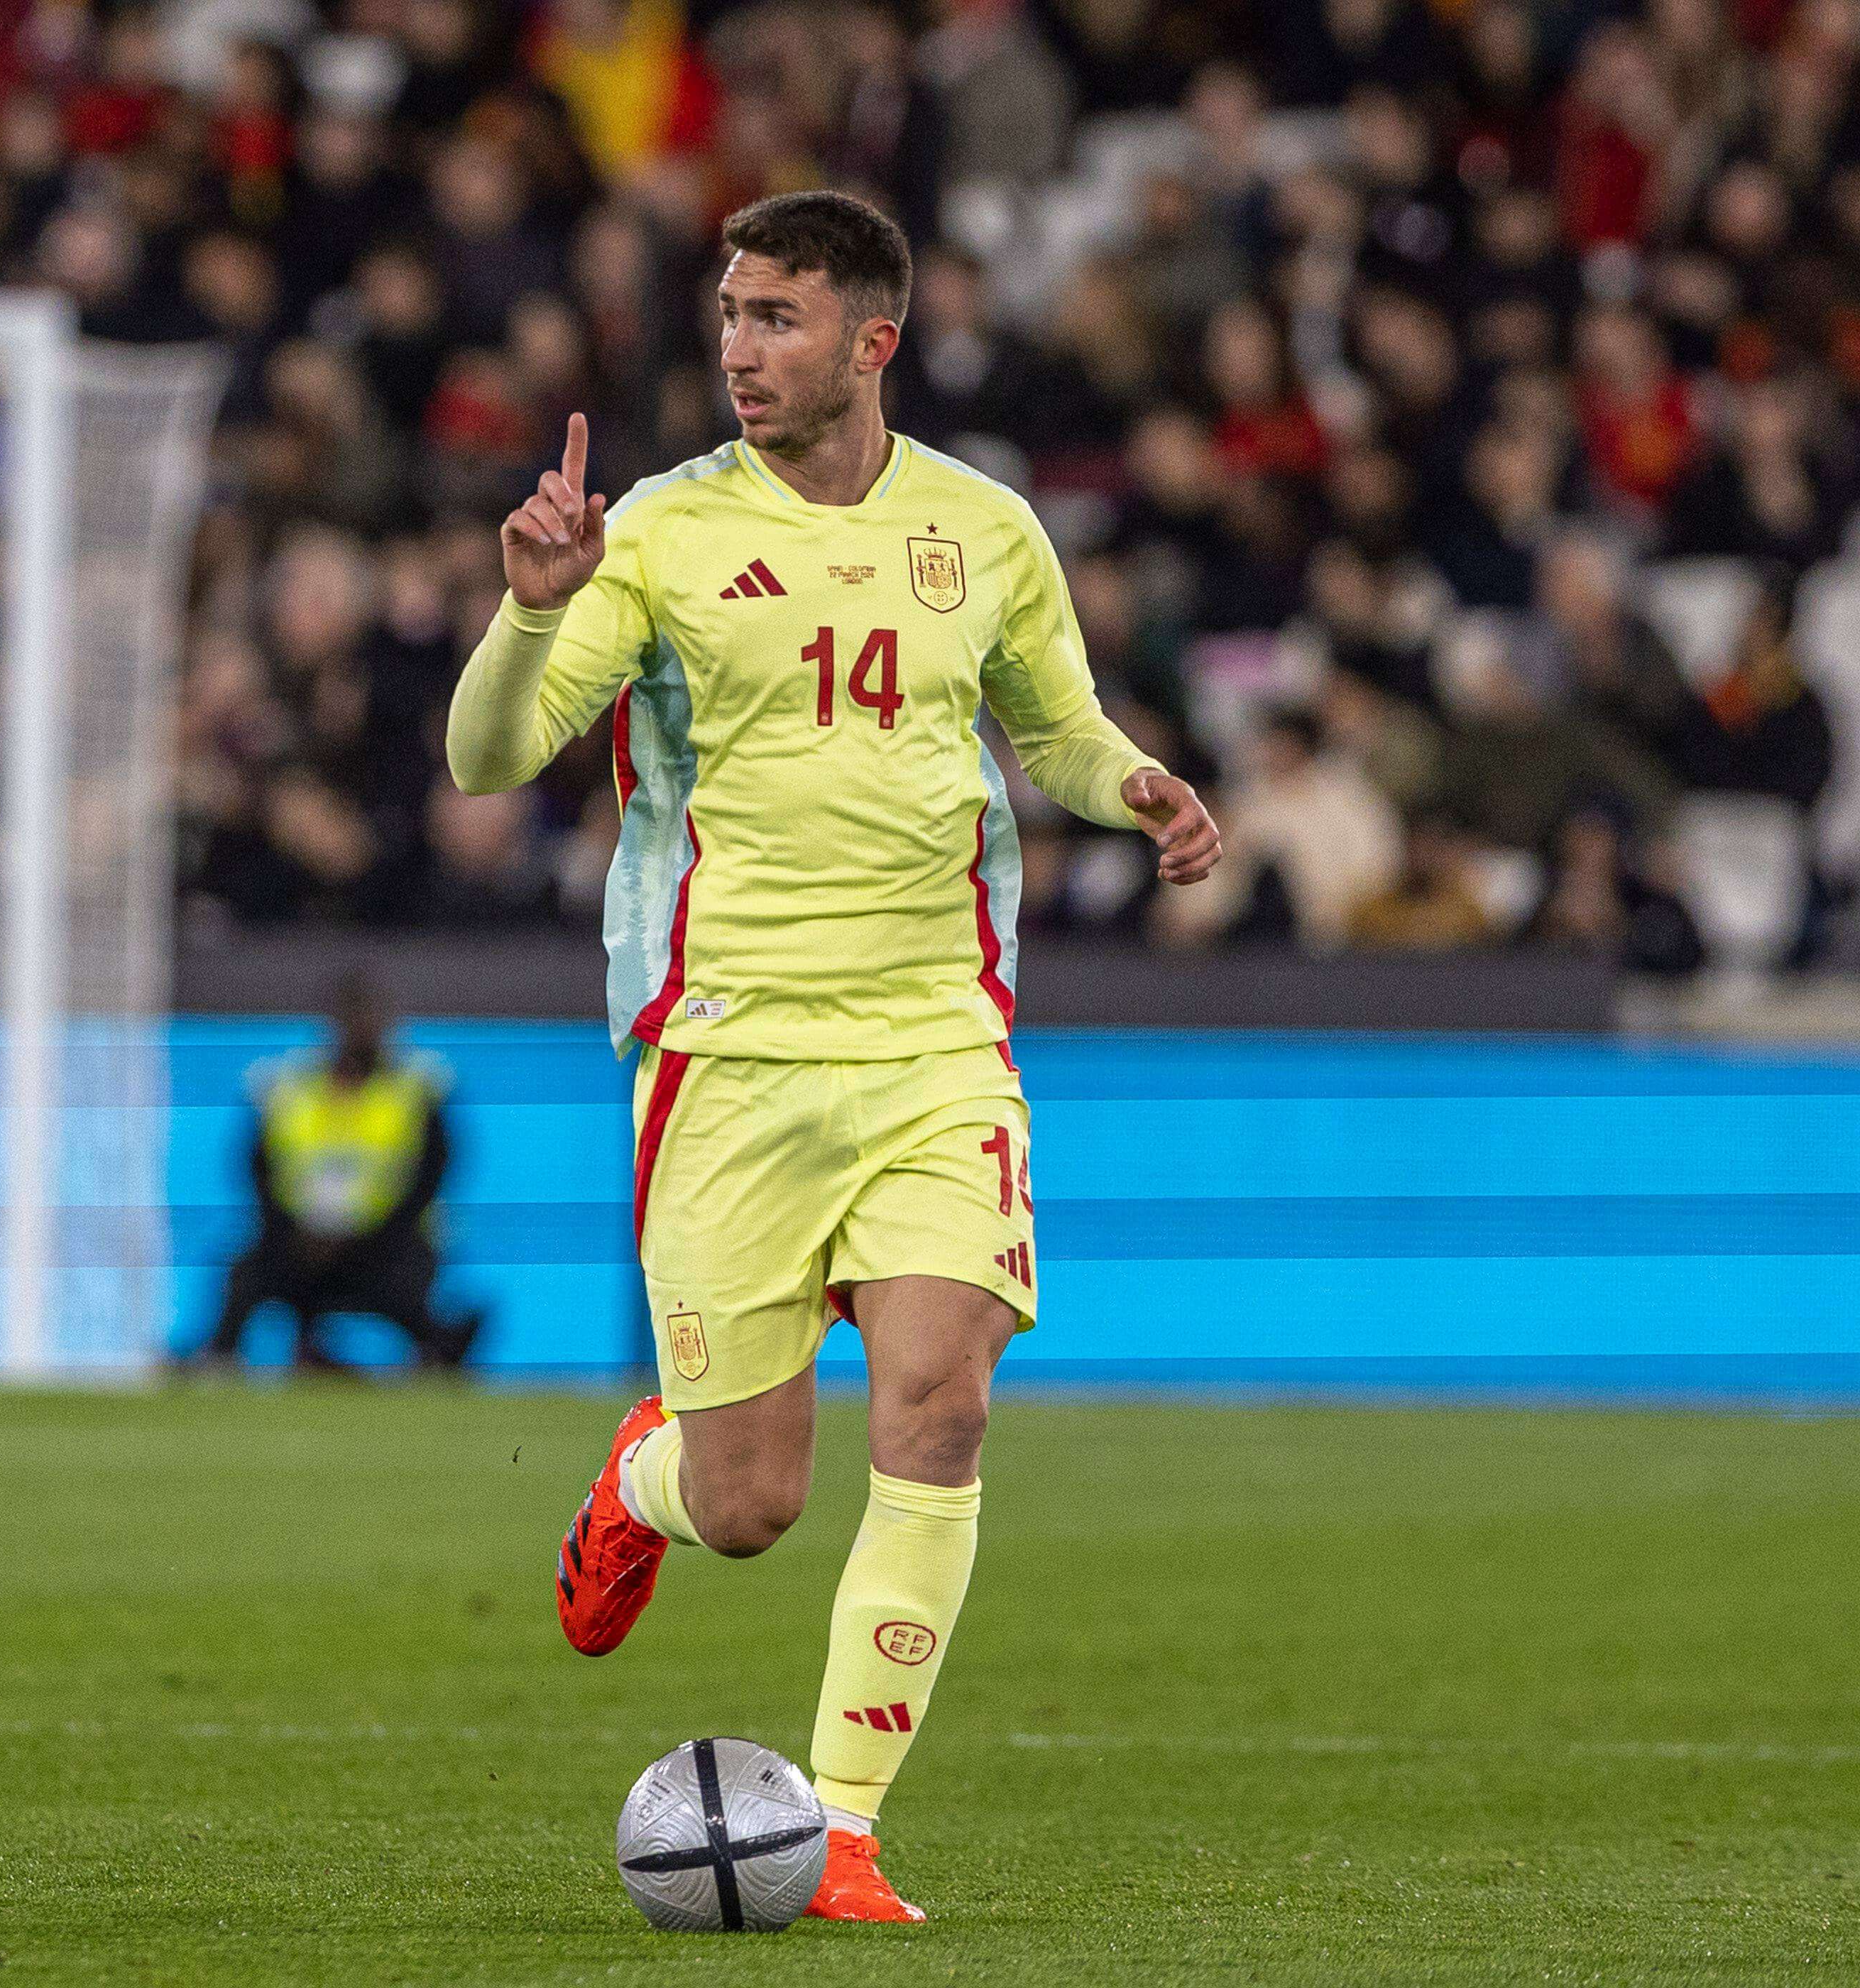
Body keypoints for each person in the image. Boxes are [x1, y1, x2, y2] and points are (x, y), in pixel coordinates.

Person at [444, 190, 1220, 1923]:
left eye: (778, 316)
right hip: (729, 1052)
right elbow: (490, 759)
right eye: (732, 313)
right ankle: (641, 1480)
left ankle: (846, 1832)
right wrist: (529, 609)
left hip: (939, 1042)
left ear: (875, 339)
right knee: (749, 1503)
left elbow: (1056, 729)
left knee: (942, 1402)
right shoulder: (657, 533)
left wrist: (1137, 787)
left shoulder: (984, 528)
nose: (741, 346)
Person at [183, 975, 481, 1374]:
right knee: (247, 1272)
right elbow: (258, 1171)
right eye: (353, 1018)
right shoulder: (289, 1087)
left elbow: (431, 1176)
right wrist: (299, 1231)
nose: (362, 1029)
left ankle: (437, 1350)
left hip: (389, 1243)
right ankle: (221, 1355)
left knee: (405, 1286)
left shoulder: (416, 1089)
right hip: (299, 1240)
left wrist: (366, 1234)